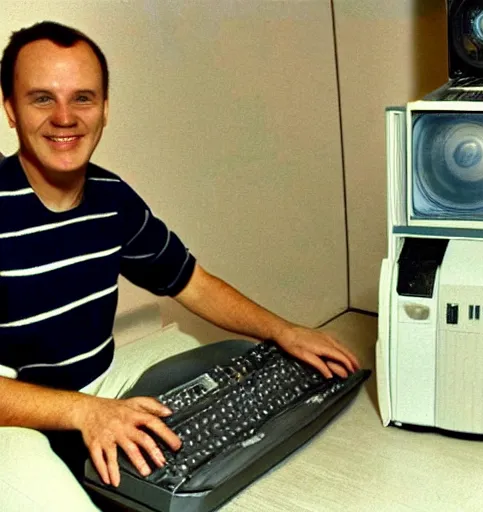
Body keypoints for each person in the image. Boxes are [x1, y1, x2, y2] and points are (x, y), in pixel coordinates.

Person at [0, 20, 360, 511]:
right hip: (13, 410)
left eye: (82, 98)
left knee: (218, 366)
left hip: (96, 381)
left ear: (105, 109)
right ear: (10, 109)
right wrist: (86, 413)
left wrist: (284, 330)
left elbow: (190, 282)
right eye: (43, 98)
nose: (65, 117)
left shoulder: (112, 197)